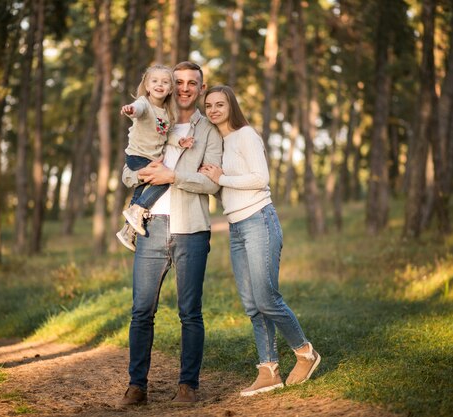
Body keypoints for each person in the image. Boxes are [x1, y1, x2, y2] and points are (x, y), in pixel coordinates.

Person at [199, 85, 320, 397]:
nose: (213, 110)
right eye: (209, 105)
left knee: (267, 299)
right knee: (252, 305)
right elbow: (216, 185)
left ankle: (306, 352)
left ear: (231, 106)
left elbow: (260, 178)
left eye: (219, 104)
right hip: (237, 228)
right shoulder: (218, 144)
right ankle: (269, 370)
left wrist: (221, 177)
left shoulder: (246, 136)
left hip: (259, 220)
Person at [118, 62, 223, 406]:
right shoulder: (151, 116)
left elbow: (211, 183)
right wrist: (143, 175)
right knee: (141, 311)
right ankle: (137, 387)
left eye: (192, 83)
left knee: (189, 312)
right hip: (150, 228)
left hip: (191, 229)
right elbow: (127, 172)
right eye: (178, 81)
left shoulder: (207, 130)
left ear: (201, 88)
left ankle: (187, 387)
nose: (184, 87)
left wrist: (173, 177)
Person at [116, 64, 193, 252]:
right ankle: (137, 210)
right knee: (163, 182)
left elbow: (166, 135)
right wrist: (131, 109)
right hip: (139, 156)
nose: (160, 85)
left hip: (149, 158)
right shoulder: (144, 103)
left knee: (139, 193)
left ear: (170, 89)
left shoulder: (166, 113)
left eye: (165, 82)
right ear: (147, 86)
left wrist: (179, 141)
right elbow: (138, 109)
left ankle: (128, 230)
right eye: (155, 81)